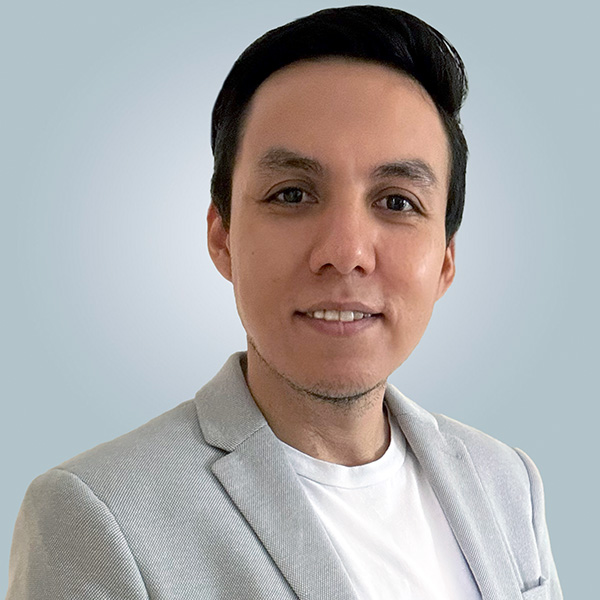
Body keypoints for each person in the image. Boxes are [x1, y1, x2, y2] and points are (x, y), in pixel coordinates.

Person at [7, 5, 562, 599]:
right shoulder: (97, 516)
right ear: (222, 237)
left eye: (398, 202)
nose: (346, 252)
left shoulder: (506, 480)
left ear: (445, 260)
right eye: (292, 194)